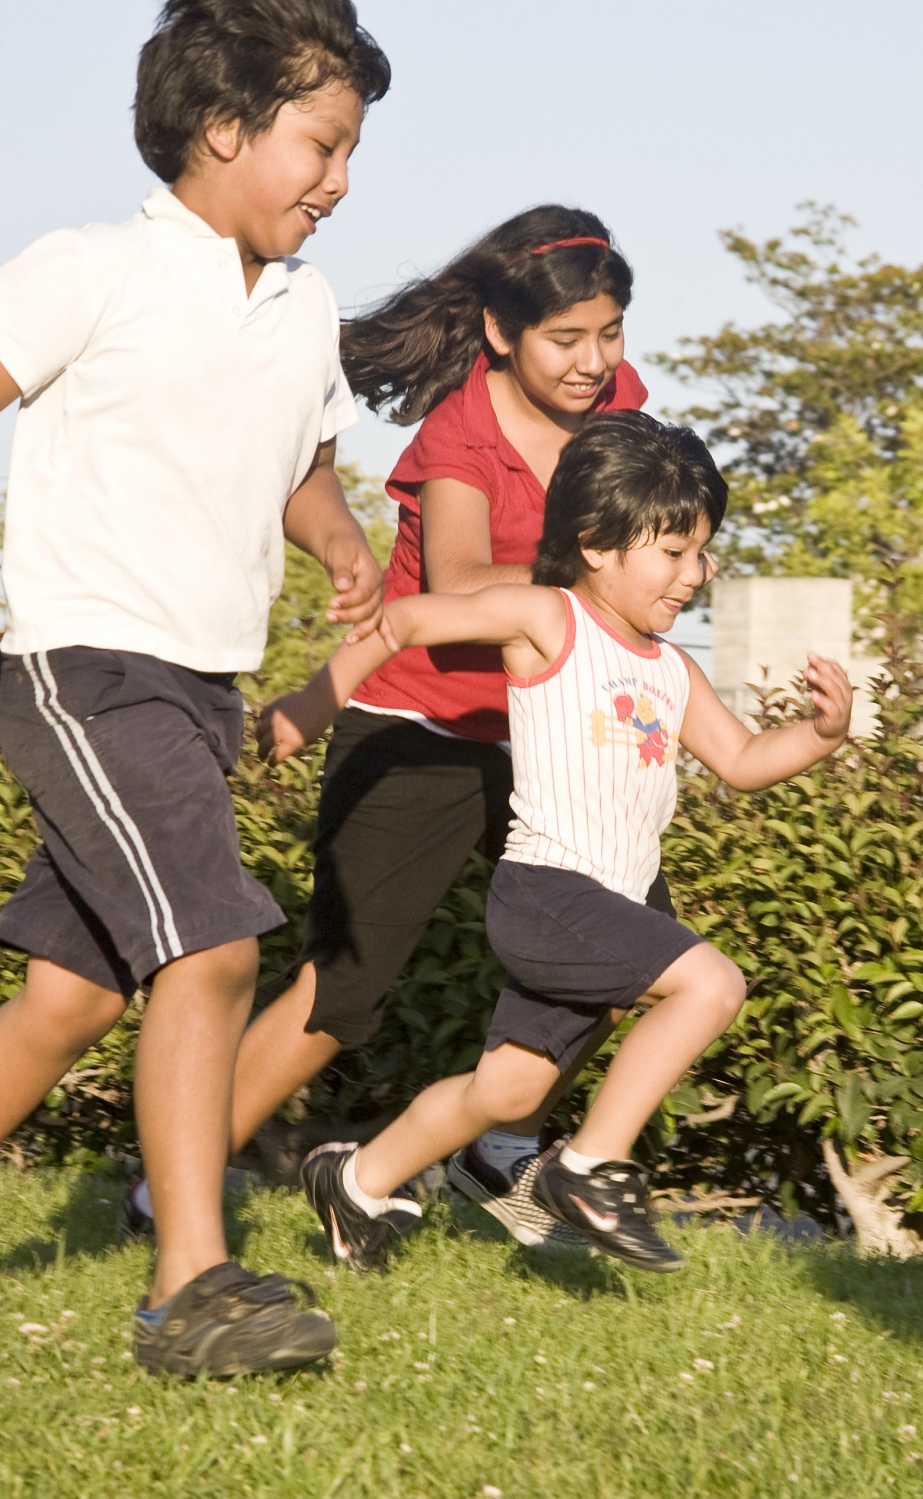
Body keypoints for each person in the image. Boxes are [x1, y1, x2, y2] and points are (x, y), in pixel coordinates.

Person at [142, 206, 698, 1256]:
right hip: (422, 724)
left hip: (553, 732)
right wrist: (587, 580)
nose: (593, 363)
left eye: (609, 333)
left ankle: (501, 1146)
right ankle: (169, 1186)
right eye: (564, 339)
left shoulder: (614, 401)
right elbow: (454, 580)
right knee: (342, 984)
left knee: (636, 951)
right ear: (499, 331)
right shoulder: (459, 434)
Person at [0, 0, 390, 1376]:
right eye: (320, 145)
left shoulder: (303, 306)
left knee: (71, 1000)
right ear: (221, 127)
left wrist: (335, 538)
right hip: (87, 665)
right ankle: (190, 1286)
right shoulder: (96, 268)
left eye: (351, 153)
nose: (340, 180)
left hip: (200, 688)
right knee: (209, 946)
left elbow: (298, 461)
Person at [257, 411, 853, 1273]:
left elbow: (744, 761)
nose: (695, 574)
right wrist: (320, 698)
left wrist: (819, 735)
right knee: (712, 983)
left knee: (509, 1088)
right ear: (596, 544)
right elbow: (409, 619)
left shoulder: (669, 666)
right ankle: (589, 1167)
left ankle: (356, 1179)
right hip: (547, 892)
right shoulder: (547, 618)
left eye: (702, 553)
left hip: (605, 904)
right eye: (673, 553)